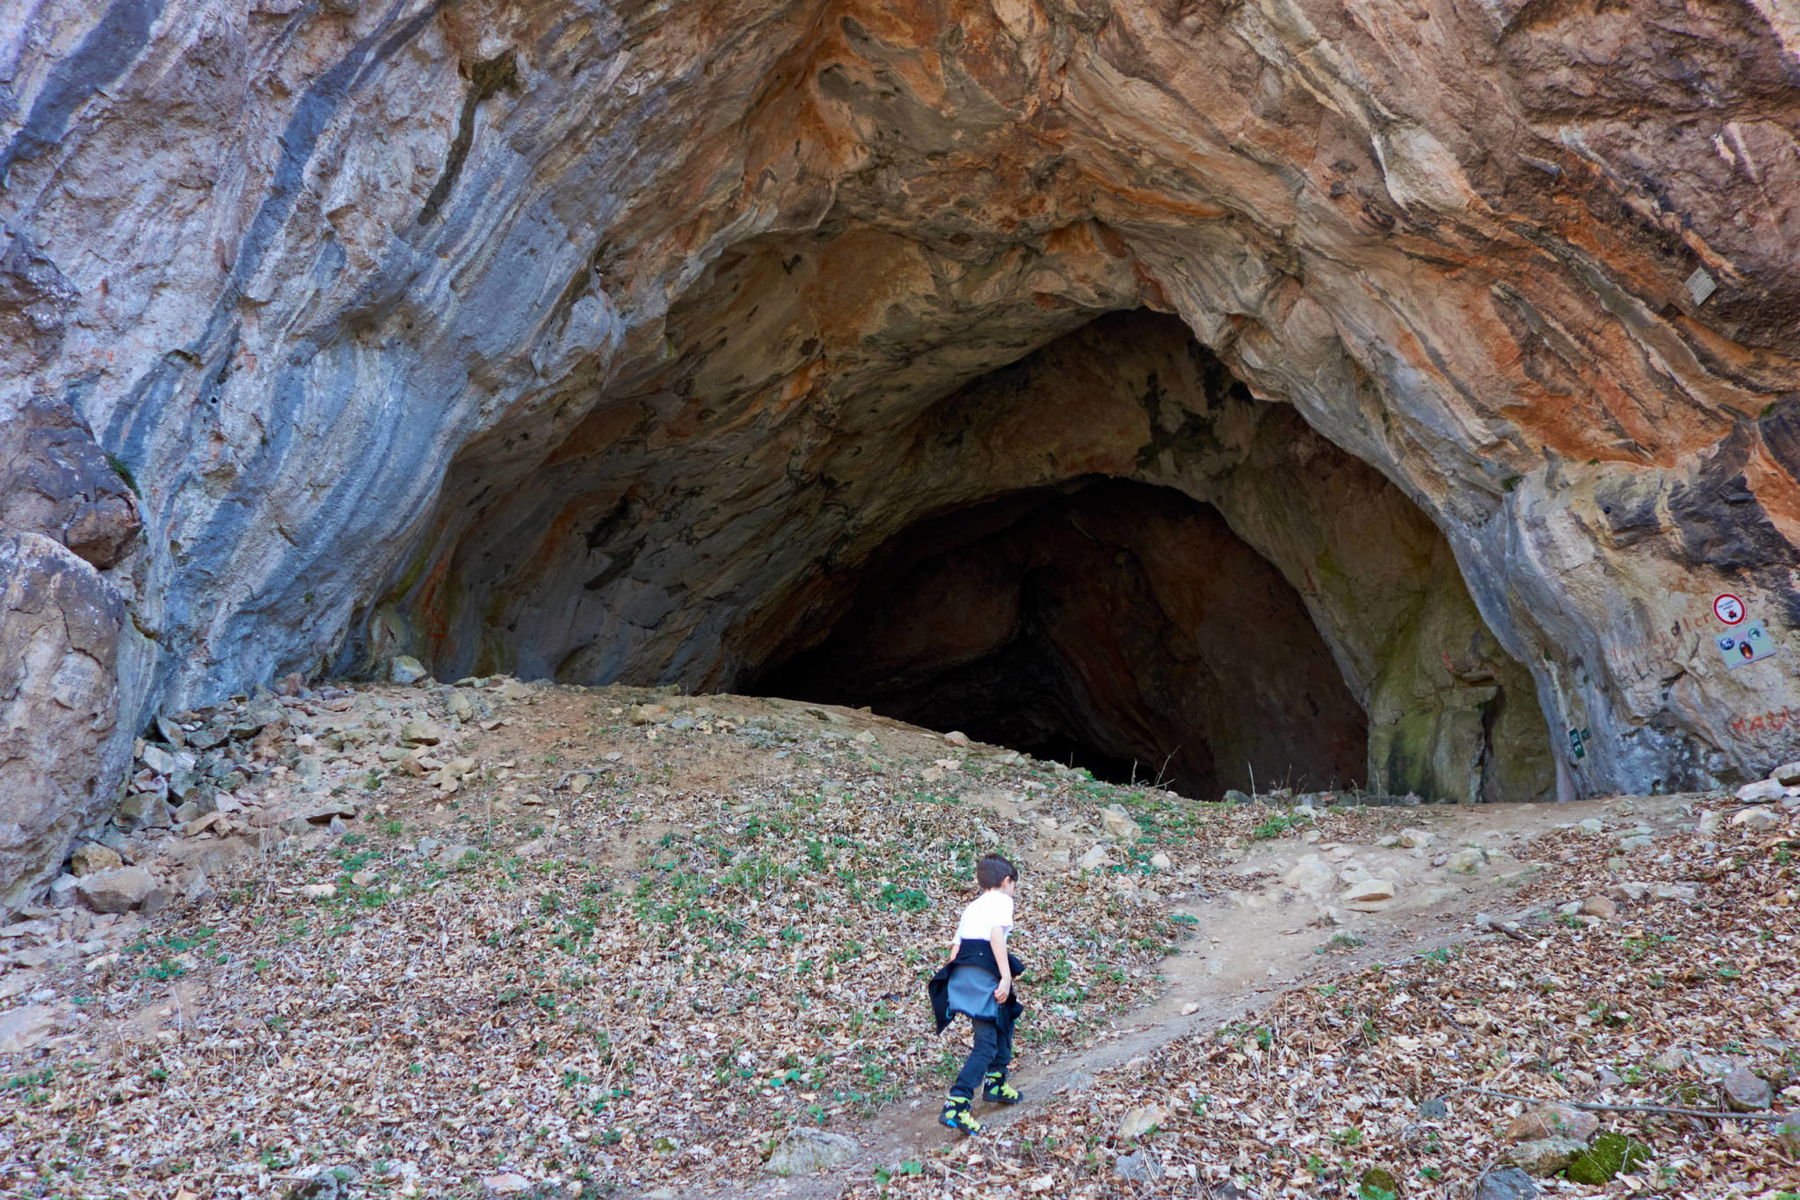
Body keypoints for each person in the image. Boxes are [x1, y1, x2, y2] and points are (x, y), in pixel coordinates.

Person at [927, 853, 1026, 1136]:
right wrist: (1005, 977)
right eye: (1014, 884)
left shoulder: (973, 906)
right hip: (984, 972)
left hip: (964, 972)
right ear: (1007, 881)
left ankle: (995, 1083)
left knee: (1005, 1017)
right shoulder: (1003, 901)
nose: (1014, 890)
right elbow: (996, 937)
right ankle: (956, 1105)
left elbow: (955, 949)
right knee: (985, 1042)